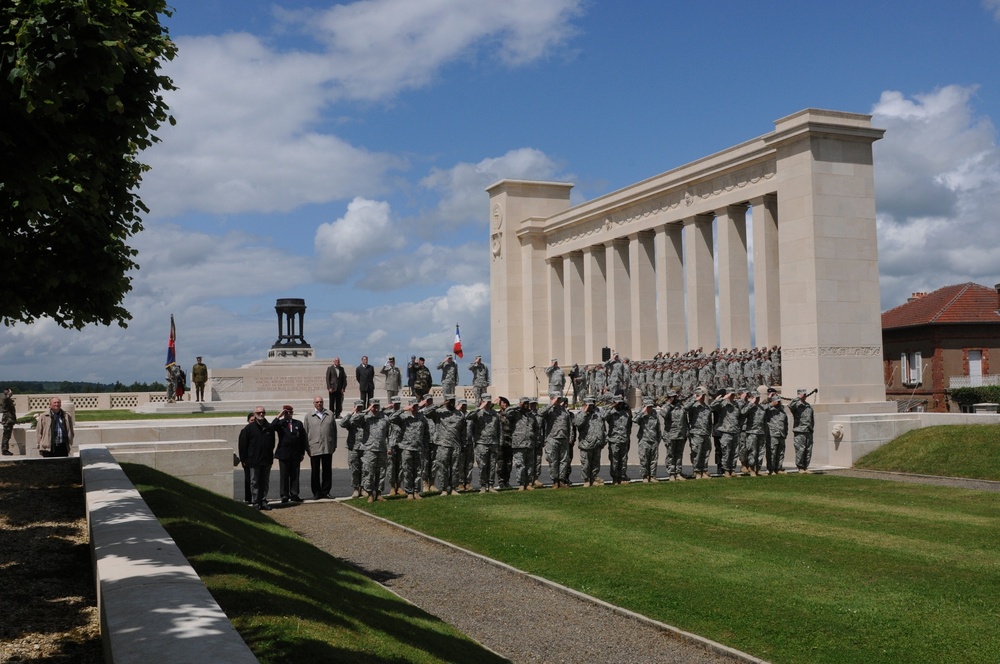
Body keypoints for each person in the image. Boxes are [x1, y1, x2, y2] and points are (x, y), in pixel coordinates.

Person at [388, 397, 431, 499]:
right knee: (407, 471)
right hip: (406, 447)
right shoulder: (403, 417)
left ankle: (416, 491)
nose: (415, 408)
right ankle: (409, 492)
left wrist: (425, 446)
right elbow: (391, 419)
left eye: (416, 406)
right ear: (409, 407)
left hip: (418, 447)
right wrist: (403, 409)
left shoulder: (422, 417)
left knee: (418, 471)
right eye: (413, 406)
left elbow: (426, 433)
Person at [424, 394, 466, 495]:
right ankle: (443, 489)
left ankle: (453, 488)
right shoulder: (439, 413)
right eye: (449, 401)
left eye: (453, 400)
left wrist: (463, 444)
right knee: (442, 468)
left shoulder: (459, 414)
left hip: (455, 445)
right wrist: (440, 404)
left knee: (455, 468)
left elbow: (463, 431)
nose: (451, 403)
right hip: (442, 445)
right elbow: (426, 412)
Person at [239, 406, 276, 509]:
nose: (261, 414)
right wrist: (244, 459)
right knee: (254, 481)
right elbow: (243, 445)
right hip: (254, 460)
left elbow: (272, 443)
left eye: (263, 412)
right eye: (259, 413)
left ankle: (263, 500)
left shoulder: (269, 427)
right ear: (255, 414)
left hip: (266, 459)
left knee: (265, 481)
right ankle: (256, 501)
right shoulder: (249, 429)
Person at [303, 396, 337, 499]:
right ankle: (316, 492)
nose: (319, 404)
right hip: (314, 447)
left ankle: (326, 491)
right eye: (317, 402)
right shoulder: (308, 416)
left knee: (327, 470)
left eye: (321, 402)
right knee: (315, 471)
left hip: (327, 445)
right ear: (314, 403)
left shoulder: (330, 414)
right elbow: (305, 432)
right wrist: (306, 447)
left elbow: (334, 431)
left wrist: (334, 445)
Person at [272, 405, 307, 503]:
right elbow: (271, 427)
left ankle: (294, 494)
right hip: (284, 453)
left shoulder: (298, 423)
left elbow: (302, 439)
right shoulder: (280, 423)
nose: (288, 414)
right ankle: (284, 495)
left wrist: (302, 452)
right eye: (286, 412)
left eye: (290, 412)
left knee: (295, 475)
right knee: (284, 475)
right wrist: (279, 415)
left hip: (295, 453)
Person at [466, 394, 500, 492]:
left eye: (489, 402)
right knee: (483, 465)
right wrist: (479, 408)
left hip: (493, 443)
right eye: (485, 402)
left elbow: (498, 429)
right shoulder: (478, 413)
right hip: (481, 443)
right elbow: (468, 416)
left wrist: (499, 442)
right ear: (481, 401)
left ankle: (491, 485)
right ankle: (483, 486)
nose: (487, 404)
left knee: (492, 465)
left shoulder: (494, 414)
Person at [539, 394, 572, 488]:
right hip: (552, 438)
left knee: (563, 461)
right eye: (556, 399)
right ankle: (555, 481)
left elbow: (569, 424)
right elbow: (540, 413)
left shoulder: (564, 410)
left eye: (559, 399)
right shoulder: (549, 409)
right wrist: (551, 404)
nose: (558, 401)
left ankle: (561, 480)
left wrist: (570, 437)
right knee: (553, 460)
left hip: (563, 438)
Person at [505, 397, 537, 491]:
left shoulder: (531, 415)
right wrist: (517, 406)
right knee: (520, 465)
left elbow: (535, 428)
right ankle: (521, 484)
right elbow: (507, 412)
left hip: (529, 443)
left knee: (530, 465)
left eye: (527, 403)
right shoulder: (515, 414)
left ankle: (528, 483)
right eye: (524, 403)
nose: (526, 405)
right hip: (518, 443)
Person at [574, 396, 605, 487]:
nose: (591, 407)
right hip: (586, 444)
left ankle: (594, 478)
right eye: (589, 405)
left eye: (592, 405)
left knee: (595, 463)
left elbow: (603, 427)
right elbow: (577, 423)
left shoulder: (598, 414)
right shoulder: (581, 414)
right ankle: (586, 479)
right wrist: (585, 411)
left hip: (597, 443)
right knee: (586, 464)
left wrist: (603, 439)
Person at [785, 388, 817, 473]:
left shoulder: (808, 406)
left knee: (808, 449)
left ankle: (806, 467)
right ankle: (800, 467)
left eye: (805, 394)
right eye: (803, 394)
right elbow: (790, 405)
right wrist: (798, 398)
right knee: (800, 449)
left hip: (808, 430)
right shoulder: (796, 405)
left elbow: (812, 418)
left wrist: (811, 428)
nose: (805, 396)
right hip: (800, 431)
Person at [603, 395, 632, 484]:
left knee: (623, 460)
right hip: (614, 440)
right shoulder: (611, 413)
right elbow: (604, 417)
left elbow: (630, 422)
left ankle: (622, 477)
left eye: (621, 403)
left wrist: (627, 407)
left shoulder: (625, 412)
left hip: (624, 439)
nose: (620, 405)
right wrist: (611, 406)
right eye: (618, 403)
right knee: (614, 460)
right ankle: (615, 478)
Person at [339, 399, 365, 498]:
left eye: (361, 407)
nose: (359, 409)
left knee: (364, 469)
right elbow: (342, 423)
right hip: (353, 447)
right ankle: (356, 489)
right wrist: (351, 413)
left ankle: (363, 488)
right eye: (357, 407)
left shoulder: (365, 417)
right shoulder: (351, 419)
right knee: (355, 469)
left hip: (364, 447)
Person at [634, 397, 661, 482]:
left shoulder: (655, 414)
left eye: (651, 407)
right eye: (648, 407)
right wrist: (643, 411)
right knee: (644, 459)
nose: (650, 408)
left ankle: (652, 476)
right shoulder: (641, 415)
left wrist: (658, 439)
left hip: (654, 440)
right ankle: (645, 476)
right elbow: (634, 420)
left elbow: (658, 428)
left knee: (654, 460)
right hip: (644, 440)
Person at [238, 412, 255, 503]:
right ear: (248, 421)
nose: (253, 422)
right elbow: (242, 446)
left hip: (257, 459)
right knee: (248, 479)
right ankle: (248, 498)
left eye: (254, 420)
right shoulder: (244, 431)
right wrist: (243, 459)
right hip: (248, 460)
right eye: (251, 420)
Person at [1, 387, 15, 456]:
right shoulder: (5, 399)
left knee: (7, 436)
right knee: (6, 436)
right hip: (7, 420)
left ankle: (5, 449)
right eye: (11, 392)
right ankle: (4, 449)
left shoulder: (8, 400)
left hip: (9, 420)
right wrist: (8, 394)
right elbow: (6, 400)